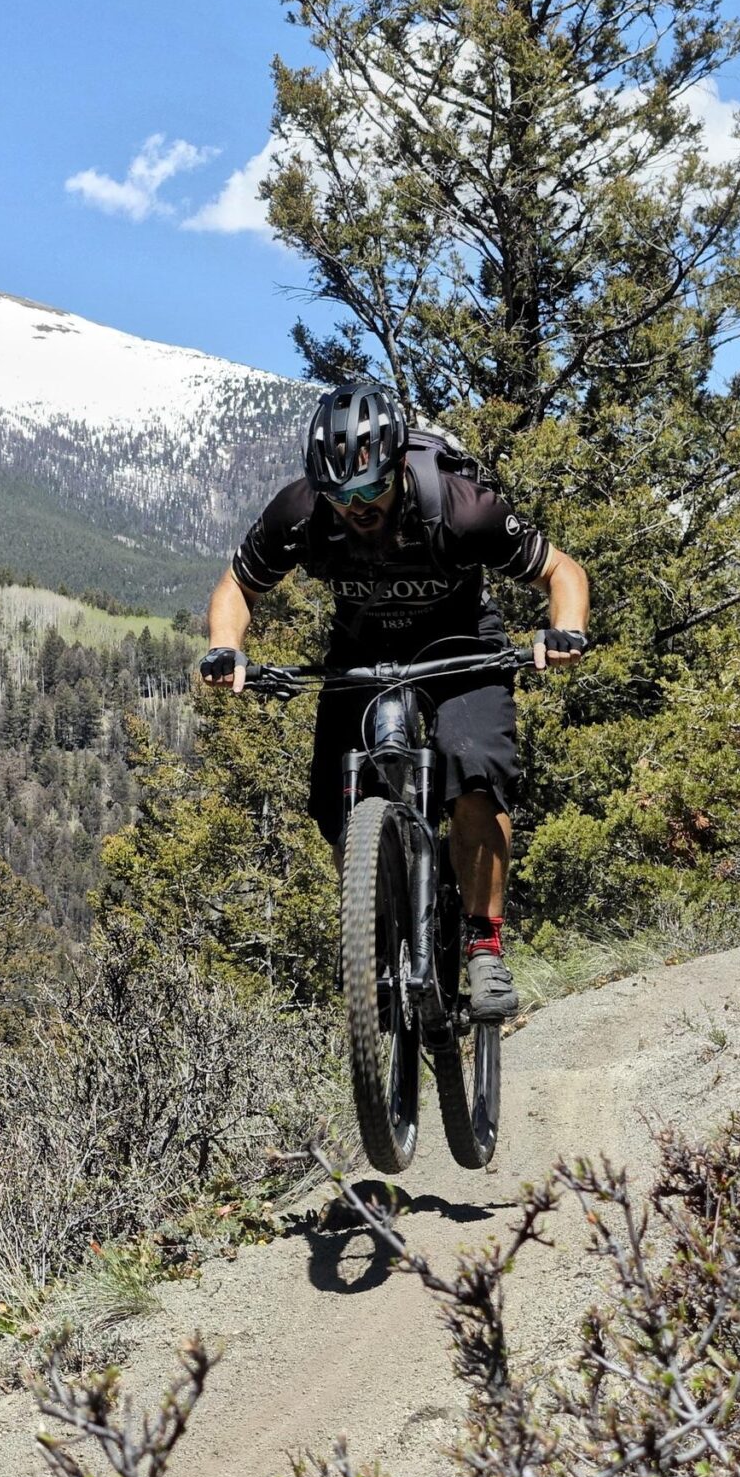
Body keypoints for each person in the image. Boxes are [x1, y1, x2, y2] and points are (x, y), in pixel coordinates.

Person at [198, 379, 589, 1019]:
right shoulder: (299, 513)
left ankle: (483, 944)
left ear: (399, 463)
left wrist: (565, 629)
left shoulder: (462, 508)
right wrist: (224, 646)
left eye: (369, 488)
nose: (356, 506)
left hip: (462, 646)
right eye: (339, 496)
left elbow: (560, 571)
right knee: (331, 802)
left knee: (475, 769)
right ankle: (375, 935)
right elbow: (237, 587)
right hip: (360, 650)